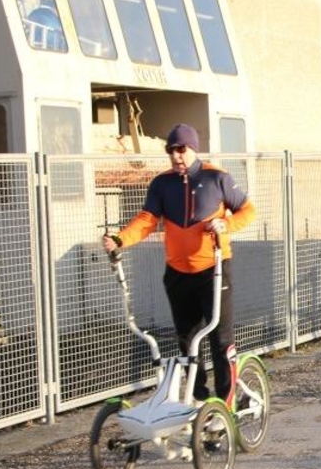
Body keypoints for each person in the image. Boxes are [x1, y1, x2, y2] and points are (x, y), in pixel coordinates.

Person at [102, 123, 256, 402]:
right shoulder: (162, 183)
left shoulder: (216, 178)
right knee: (186, 341)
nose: (176, 156)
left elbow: (248, 210)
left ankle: (227, 399)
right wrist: (120, 238)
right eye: (171, 151)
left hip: (214, 270)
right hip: (178, 274)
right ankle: (196, 400)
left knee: (219, 339)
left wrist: (226, 223)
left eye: (181, 150)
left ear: (193, 149)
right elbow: (146, 221)